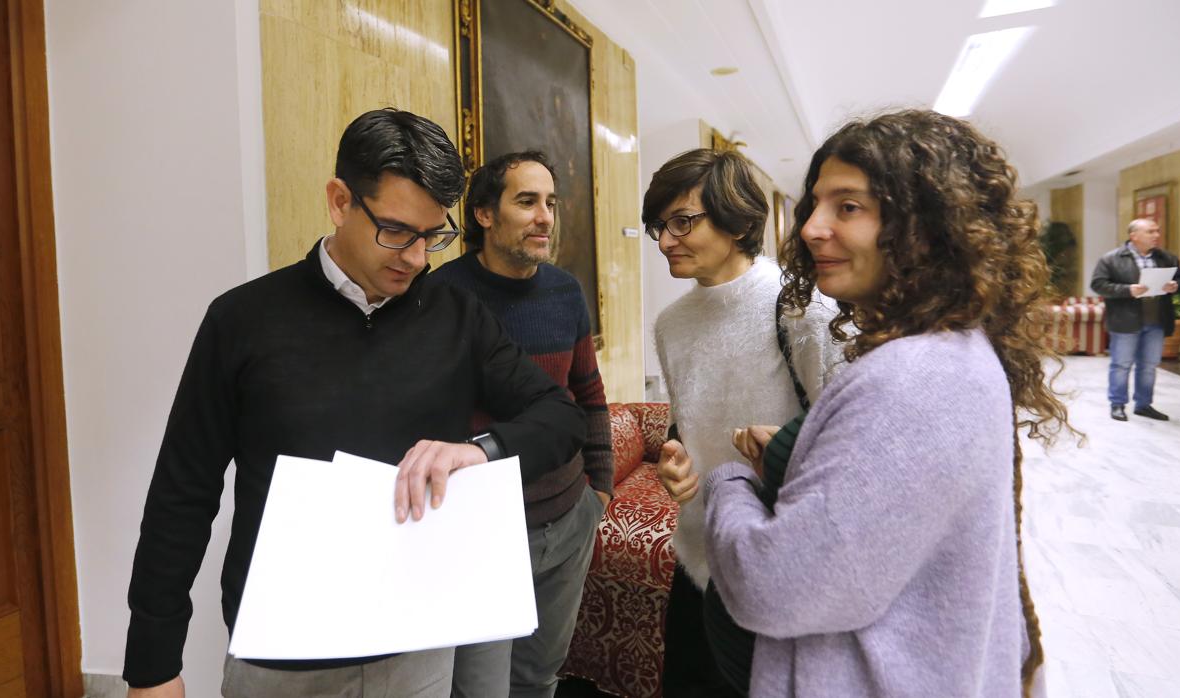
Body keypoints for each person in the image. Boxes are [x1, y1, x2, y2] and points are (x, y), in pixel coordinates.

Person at [123, 109, 586, 698]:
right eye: (396, 232)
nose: (417, 258)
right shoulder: (242, 320)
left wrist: (482, 451)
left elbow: (561, 416)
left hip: (417, 643)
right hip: (283, 653)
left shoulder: (456, 318)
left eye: (433, 236)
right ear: (341, 201)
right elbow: (182, 493)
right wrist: (153, 663)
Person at [702, 109, 1074, 697]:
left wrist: (726, 485)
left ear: (926, 228)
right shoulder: (945, 351)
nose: (811, 228)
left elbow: (776, 587)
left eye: (848, 207)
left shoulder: (913, 378)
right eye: (816, 204)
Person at [643, 148, 840, 697]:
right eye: (658, 226)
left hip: (778, 563)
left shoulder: (801, 309)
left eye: (683, 221)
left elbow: (844, 443)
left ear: (736, 220)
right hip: (699, 558)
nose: (664, 241)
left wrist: (781, 450)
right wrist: (677, 459)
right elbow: (685, 424)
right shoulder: (671, 325)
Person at [431, 151, 612, 698]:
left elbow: (588, 394)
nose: (545, 217)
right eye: (527, 201)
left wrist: (598, 492)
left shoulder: (565, 291)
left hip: (567, 517)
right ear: (484, 214)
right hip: (482, 527)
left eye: (551, 203)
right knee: (477, 688)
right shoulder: (442, 298)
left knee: (538, 678)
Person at [1090, 218, 1180, 421]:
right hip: (1125, 321)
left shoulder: (1167, 257)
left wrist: (1175, 286)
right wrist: (1128, 290)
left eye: (1157, 231)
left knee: (1149, 365)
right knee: (1121, 364)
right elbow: (1098, 285)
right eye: (1151, 231)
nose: (1156, 235)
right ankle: (1117, 404)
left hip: (1156, 322)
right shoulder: (1111, 259)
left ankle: (1144, 405)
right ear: (1134, 236)